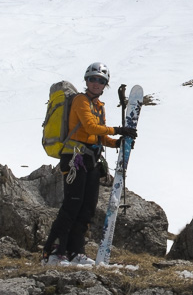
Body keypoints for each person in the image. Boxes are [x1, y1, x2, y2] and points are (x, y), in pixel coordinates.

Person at [41, 62, 137, 265]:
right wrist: (118, 130)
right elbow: (90, 127)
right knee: (72, 205)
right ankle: (54, 252)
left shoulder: (99, 107)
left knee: (87, 208)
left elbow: (97, 136)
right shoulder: (80, 100)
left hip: (91, 159)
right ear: (86, 81)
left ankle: (76, 252)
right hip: (74, 158)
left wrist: (116, 142)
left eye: (101, 81)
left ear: (105, 85)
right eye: (93, 79)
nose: (96, 83)